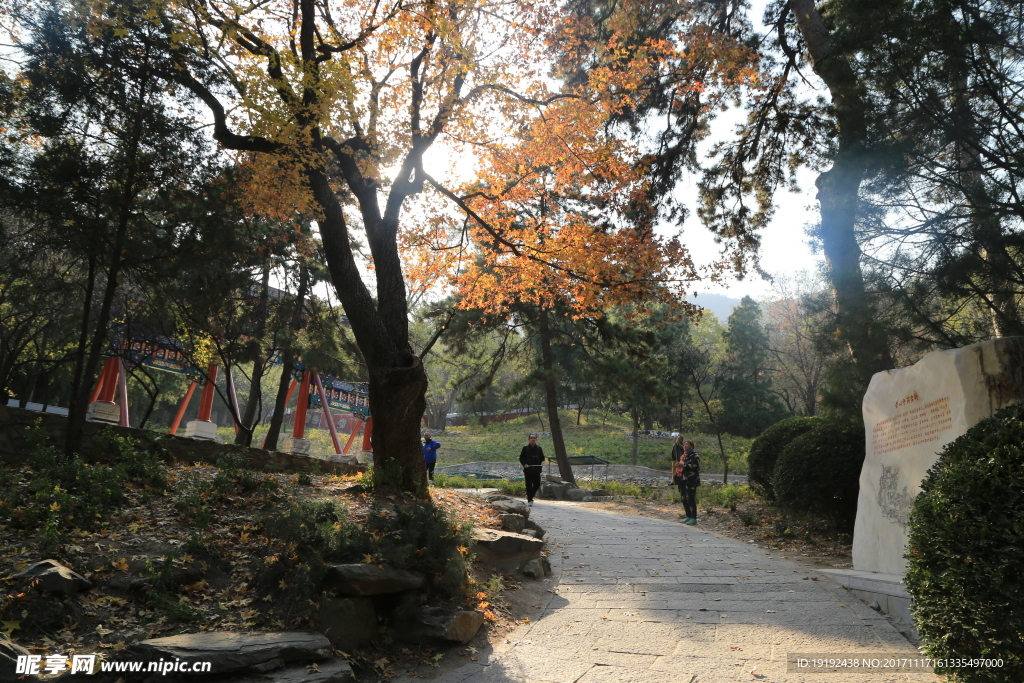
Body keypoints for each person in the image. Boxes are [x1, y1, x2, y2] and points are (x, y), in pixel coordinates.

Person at [677, 439, 700, 525]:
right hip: (683, 479)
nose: (685, 446)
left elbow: (695, 466)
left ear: (691, 446)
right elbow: (681, 467)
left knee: (690, 498)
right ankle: (688, 516)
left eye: (687, 444)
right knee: (684, 498)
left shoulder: (695, 455)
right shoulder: (683, 456)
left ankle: (693, 518)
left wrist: (684, 465)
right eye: (684, 444)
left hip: (691, 480)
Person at [519, 433, 546, 506]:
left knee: (537, 484)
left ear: (536, 440)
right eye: (531, 438)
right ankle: (530, 500)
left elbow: (542, 458)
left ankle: (529, 495)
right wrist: (525, 464)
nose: (533, 439)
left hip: (537, 470)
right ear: (529, 439)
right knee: (529, 485)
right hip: (528, 470)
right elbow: (521, 458)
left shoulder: (539, 448)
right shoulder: (525, 448)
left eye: (534, 438)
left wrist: (542, 463)